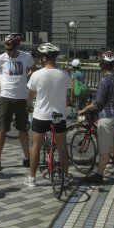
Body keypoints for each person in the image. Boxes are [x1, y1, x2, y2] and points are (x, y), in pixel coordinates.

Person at [0, 33, 36, 171]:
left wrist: (28, 79)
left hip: (21, 98)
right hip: (6, 97)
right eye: (6, 48)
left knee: (23, 129)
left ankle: (26, 157)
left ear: (17, 46)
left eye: (11, 48)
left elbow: (33, 69)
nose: (8, 51)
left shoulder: (26, 57)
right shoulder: (1, 58)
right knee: (2, 129)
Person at [24, 43, 70, 187]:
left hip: (41, 115)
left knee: (36, 147)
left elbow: (30, 94)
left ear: (44, 57)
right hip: (59, 116)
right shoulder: (65, 74)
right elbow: (68, 91)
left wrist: (28, 105)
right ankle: (66, 176)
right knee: (62, 146)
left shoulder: (36, 75)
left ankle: (32, 179)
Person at [78, 51, 114, 185]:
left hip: (107, 117)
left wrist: (85, 109)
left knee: (104, 149)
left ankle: (99, 175)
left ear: (102, 66)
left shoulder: (104, 81)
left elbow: (98, 103)